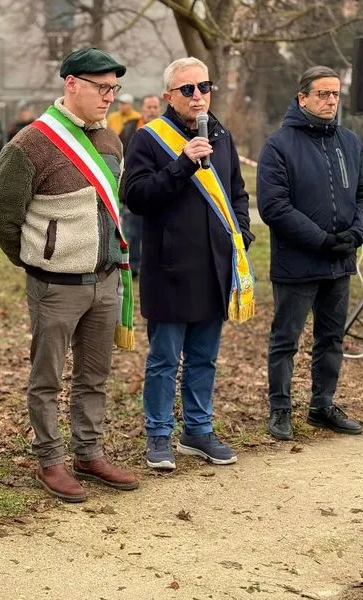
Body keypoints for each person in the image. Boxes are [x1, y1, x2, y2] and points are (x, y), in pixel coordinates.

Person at [0, 47, 138, 503]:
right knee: (48, 378)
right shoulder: (29, 143)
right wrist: (37, 259)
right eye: (100, 87)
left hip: (105, 280)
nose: (109, 96)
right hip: (57, 285)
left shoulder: (111, 141)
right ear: (71, 84)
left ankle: (89, 453)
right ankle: (50, 459)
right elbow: (0, 215)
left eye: (114, 88)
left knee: (95, 376)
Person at [123, 58, 254, 470]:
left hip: (214, 267)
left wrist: (241, 235)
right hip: (170, 270)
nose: (198, 95)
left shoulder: (221, 135)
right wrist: (182, 165)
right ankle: (159, 436)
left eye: (204, 86)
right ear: (169, 97)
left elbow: (237, 193)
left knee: (204, 357)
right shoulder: (148, 139)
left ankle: (197, 431)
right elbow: (137, 197)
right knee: (164, 359)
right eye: (187, 89)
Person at [257, 66, 363, 441]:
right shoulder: (278, 145)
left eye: (335, 94)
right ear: (302, 98)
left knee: (331, 338)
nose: (330, 101)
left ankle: (321, 406)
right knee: (286, 340)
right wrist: (321, 239)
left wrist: (356, 232)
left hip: (339, 261)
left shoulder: (350, 142)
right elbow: (274, 207)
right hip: (297, 262)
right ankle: (280, 410)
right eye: (323, 94)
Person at [119, 94, 162, 278]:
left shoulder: (166, 129)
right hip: (135, 187)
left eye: (155, 107)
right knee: (133, 232)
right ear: (142, 109)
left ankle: (155, 267)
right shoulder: (130, 127)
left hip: (159, 187)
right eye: (149, 107)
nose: (152, 110)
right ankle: (134, 267)